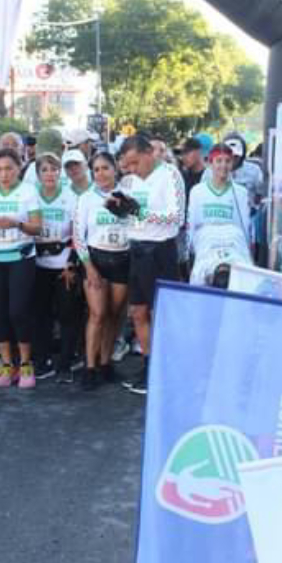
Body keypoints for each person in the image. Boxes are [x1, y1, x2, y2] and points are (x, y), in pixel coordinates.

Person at [116, 134, 185, 395]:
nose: (132, 169)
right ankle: (148, 363)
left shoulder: (170, 175)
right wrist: (120, 210)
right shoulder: (131, 180)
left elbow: (177, 217)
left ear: (149, 153)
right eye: (128, 165)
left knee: (160, 314)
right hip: (136, 248)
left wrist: (141, 213)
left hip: (160, 251)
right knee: (138, 312)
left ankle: (165, 369)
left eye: (135, 163)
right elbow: (130, 216)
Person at [0, 149, 41, 389]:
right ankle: (6, 363)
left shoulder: (28, 191)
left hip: (21, 257)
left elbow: (37, 228)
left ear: (18, 168)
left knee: (18, 311)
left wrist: (16, 223)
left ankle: (25, 363)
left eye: (9, 168)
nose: (4, 174)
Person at [73, 152, 130, 390]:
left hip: (123, 258)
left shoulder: (128, 195)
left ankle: (106, 364)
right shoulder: (86, 198)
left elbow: (137, 223)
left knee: (114, 315)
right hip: (96, 259)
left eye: (105, 168)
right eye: (96, 169)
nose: (101, 173)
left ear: (115, 168)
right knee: (97, 314)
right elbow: (78, 235)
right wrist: (89, 267)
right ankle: (90, 367)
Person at [31, 150, 85, 383]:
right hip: (38, 262)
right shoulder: (31, 196)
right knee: (40, 314)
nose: (50, 174)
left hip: (63, 261)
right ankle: (41, 361)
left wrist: (72, 263)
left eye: (54, 169)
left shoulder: (71, 197)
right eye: (44, 169)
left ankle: (65, 363)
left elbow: (78, 232)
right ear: (38, 174)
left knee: (67, 314)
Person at [186, 143, 252, 286]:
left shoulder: (241, 192)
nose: (223, 166)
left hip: (233, 241)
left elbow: (244, 225)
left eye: (227, 161)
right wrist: (189, 251)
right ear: (210, 163)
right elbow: (191, 223)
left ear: (232, 163)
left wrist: (246, 249)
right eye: (219, 161)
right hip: (207, 241)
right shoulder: (197, 191)